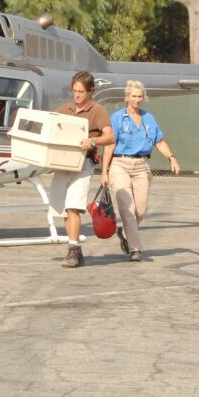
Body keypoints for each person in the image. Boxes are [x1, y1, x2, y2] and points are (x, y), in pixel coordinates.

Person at [100, 80, 181, 262]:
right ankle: (135, 249)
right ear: (126, 97)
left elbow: (159, 141)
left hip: (141, 166)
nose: (136, 100)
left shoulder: (149, 119)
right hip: (120, 164)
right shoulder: (117, 118)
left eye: (139, 96)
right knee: (128, 209)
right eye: (133, 96)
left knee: (141, 210)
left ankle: (126, 233)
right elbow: (109, 146)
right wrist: (104, 172)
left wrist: (172, 158)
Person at [48, 71, 114, 268]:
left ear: (90, 91)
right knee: (64, 211)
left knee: (73, 207)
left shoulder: (98, 111)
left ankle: (72, 250)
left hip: (83, 164)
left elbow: (110, 137)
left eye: (81, 91)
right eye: (74, 91)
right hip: (62, 164)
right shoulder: (65, 109)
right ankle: (76, 249)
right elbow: (49, 126)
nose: (76, 95)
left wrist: (92, 140)